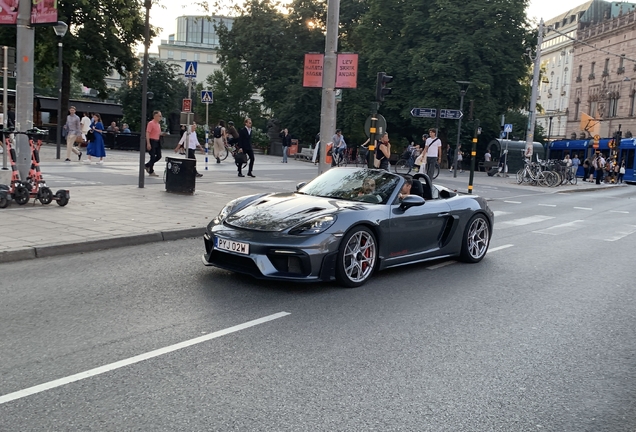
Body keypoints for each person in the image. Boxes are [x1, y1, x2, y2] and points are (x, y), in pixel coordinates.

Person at [145, 111, 164, 177]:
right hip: (152, 140)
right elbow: (148, 133)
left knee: (159, 156)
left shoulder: (158, 124)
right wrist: (148, 143)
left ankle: (147, 165)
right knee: (152, 156)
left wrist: (162, 134)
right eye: (159, 116)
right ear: (155, 116)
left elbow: (157, 133)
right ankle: (151, 170)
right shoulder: (151, 123)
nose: (160, 117)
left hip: (157, 141)